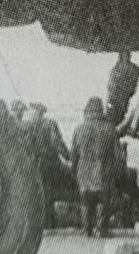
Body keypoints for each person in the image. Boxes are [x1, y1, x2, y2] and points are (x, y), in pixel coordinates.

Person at [70, 97, 119, 237]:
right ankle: (101, 230)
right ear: (101, 111)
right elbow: (117, 155)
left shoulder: (79, 129)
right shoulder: (110, 129)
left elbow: (74, 153)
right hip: (103, 170)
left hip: (83, 171)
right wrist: (115, 172)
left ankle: (86, 230)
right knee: (102, 200)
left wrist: (74, 169)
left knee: (85, 201)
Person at [25, 102, 71, 228]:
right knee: (49, 191)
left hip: (32, 165)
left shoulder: (25, 125)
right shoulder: (49, 123)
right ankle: (49, 222)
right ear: (42, 113)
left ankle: (42, 222)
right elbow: (57, 143)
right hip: (49, 163)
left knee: (40, 192)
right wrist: (69, 156)